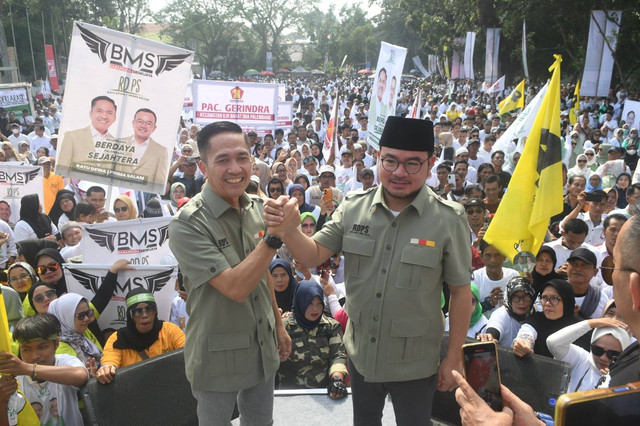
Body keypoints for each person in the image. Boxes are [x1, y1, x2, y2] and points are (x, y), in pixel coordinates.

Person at [264, 116, 473, 425]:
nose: (399, 172)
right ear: (378, 159)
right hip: (361, 356)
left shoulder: (448, 219)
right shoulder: (353, 207)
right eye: (390, 161)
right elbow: (312, 254)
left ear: (430, 165)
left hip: (414, 363)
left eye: (412, 164)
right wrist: (289, 228)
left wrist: (454, 355)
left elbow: (460, 291)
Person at [168, 121, 291, 425]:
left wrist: (277, 323)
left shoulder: (258, 208)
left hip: (262, 344)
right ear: (204, 167)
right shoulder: (188, 223)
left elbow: (262, 274)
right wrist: (273, 238)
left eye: (242, 157)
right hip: (217, 356)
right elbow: (235, 288)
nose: (235, 168)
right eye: (222, 160)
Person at [0, 314, 89, 425]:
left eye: (42, 347)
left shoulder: (64, 362)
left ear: (56, 343)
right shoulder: (16, 381)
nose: (34, 356)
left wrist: (27, 368)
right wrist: (2, 401)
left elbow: (81, 376)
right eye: (26, 349)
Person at [277, 280, 348, 398]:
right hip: (288, 394)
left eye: (319, 303)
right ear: (300, 302)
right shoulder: (283, 328)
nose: (315, 309)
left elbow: (338, 356)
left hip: (323, 393)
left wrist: (336, 379)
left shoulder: (331, 326)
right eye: (310, 303)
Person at [96, 289, 185, 383]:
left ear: (155, 311)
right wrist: (106, 370)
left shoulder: (170, 330)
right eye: (138, 312)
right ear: (130, 316)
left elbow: (188, 353)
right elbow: (109, 362)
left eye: (149, 309)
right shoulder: (118, 339)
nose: (145, 315)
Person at [547, 317, 629, 392]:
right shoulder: (582, 359)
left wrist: (612, 380)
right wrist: (590, 323)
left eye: (612, 354)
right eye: (598, 350)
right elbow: (553, 343)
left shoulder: (626, 378)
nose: (603, 358)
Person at [513, 279, 578, 358]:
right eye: (544, 297)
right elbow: (527, 331)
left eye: (554, 298)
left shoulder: (580, 327)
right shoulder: (536, 320)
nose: (547, 303)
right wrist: (522, 342)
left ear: (566, 301)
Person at [56, 95, 117, 175]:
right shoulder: (72, 137)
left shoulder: (118, 144)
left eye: (109, 113)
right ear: (91, 114)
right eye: (99, 111)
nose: (104, 116)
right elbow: (62, 170)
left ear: (114, 118)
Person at [112, 108, 169, 192]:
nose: (143, 126)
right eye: (140, 121)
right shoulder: (118, 144)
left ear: (154, 127)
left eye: (148, 123)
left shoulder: (161, 151)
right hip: (118, 195)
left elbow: (159, 182)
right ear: (133, 123)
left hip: (144, 199)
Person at [477, 278, 536, 347]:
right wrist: (489, 337)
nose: (521, 302)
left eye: (526, 297)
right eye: (516, 298)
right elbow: (495, 326)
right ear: (508, 299)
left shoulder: (537, 313)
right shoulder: (501, 314)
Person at [47, 293, 103, 366]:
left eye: (88, 313)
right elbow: (75, 375)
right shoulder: (60, 347)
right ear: (66, 318)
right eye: (81, 316)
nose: (87, 318)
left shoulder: (82, 331)